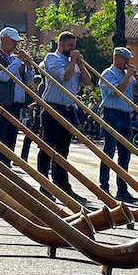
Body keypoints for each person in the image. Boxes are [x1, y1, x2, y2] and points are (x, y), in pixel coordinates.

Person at [37, 32, 91, 199]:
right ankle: (44, 184)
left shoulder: (74, 62)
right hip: (53, 107)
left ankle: (62, 185)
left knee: (63, 149)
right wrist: (73, 61)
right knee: (47, 147)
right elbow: (65, 77)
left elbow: (88, 82)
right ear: (61, 45)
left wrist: (80, 64)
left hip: (68, 108)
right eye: (70, 46)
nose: (73, 49)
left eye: (74, 46)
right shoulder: (52, 58)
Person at [98, 46, 138, 203]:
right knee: (109, 151)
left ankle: (122, 189)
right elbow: (117, 91)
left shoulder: (129, 75)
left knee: (125, 154)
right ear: (116, 58)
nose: (127, 62)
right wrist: (128, 76)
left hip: (126, 115)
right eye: (125, 59)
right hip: (112, 114)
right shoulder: (108, 74)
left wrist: (136, 77)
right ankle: (103, 186)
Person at [0, 27, 36, 165]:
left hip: (14, 107)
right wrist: (18, 61)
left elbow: (27, 82)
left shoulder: (15, 60)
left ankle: (6, 172)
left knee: (9, 143)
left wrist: (29, 67)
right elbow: (3, 77)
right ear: (2, 40)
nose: (16, 45)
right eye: (13, 41)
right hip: (0, 106)